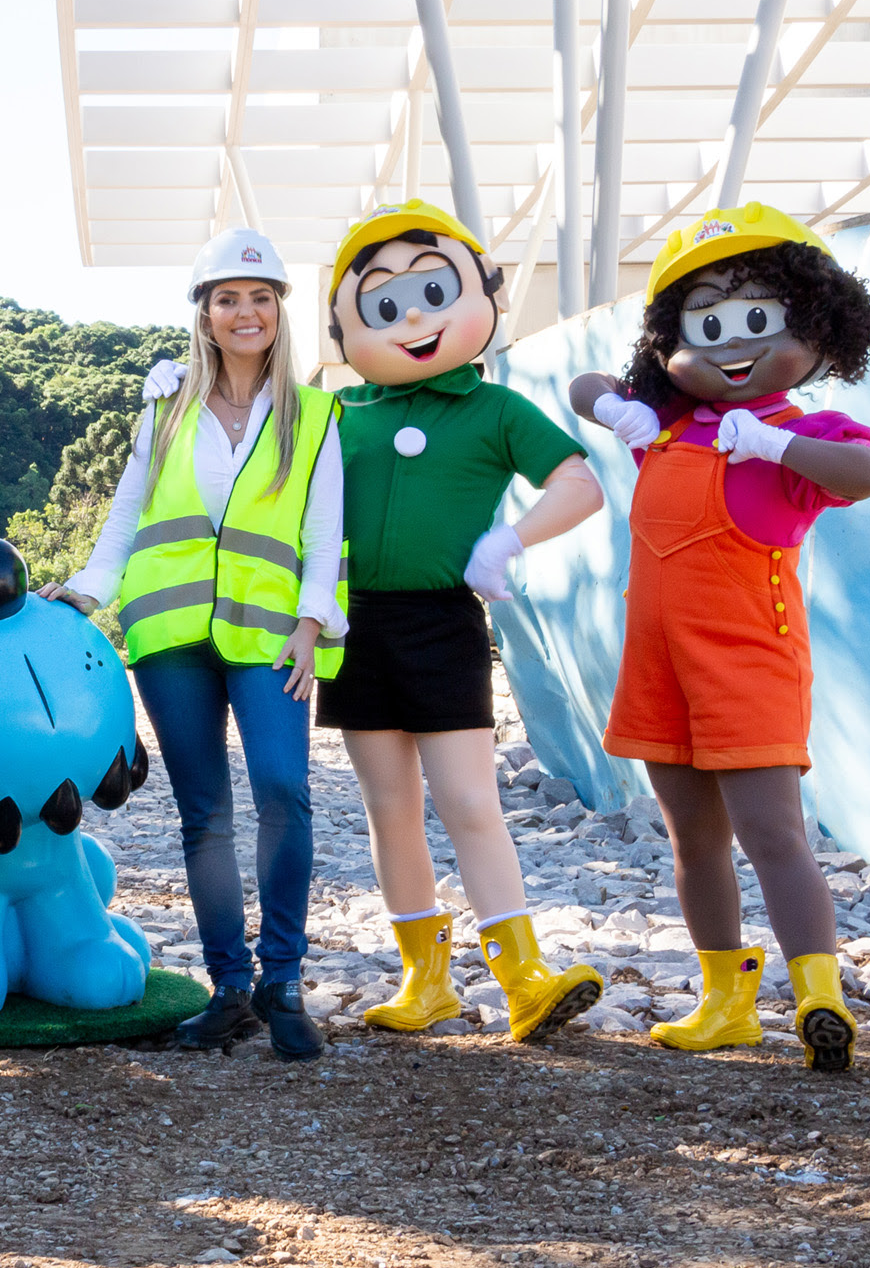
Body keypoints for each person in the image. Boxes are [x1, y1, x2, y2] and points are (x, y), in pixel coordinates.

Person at [567, 203, 870, 1074]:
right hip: (660, 670)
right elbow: (583, 385)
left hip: (749, 662)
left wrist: (777, 445)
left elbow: (864, 473)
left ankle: (819, 992)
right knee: (693, 838)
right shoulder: (668, 429)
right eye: (703, 326)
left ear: (818, 330)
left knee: (774, 833)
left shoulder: (810, 430)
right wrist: (618, 411)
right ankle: (726, 998)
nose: (728, 346)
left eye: (757, 319)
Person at [38, 228, 347, 1063]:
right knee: (203, 814)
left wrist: (312, 624)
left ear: (280, 312)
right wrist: (84, 593)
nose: (244, 312)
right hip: (169, 635)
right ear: (203, 316)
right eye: (226, 298)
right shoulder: (166, 405)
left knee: (285, 791)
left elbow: (325, 535)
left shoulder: (317, 414)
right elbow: (128, 512)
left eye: (260, 297)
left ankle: (283, 981)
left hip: (271, 636)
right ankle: (232, 991)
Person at [319, 201, 609, 1044]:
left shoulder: (496, 410)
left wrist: (509, 539)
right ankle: (425, 979)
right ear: (343, 328)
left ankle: (523, 976)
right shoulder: (337, 418)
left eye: (434, 292)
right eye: (382, 305)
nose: (411, 317)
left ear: (484, 291)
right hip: (353, 625)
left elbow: (579, 484)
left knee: (470, 800)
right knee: (389, 807)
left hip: (443, 621)